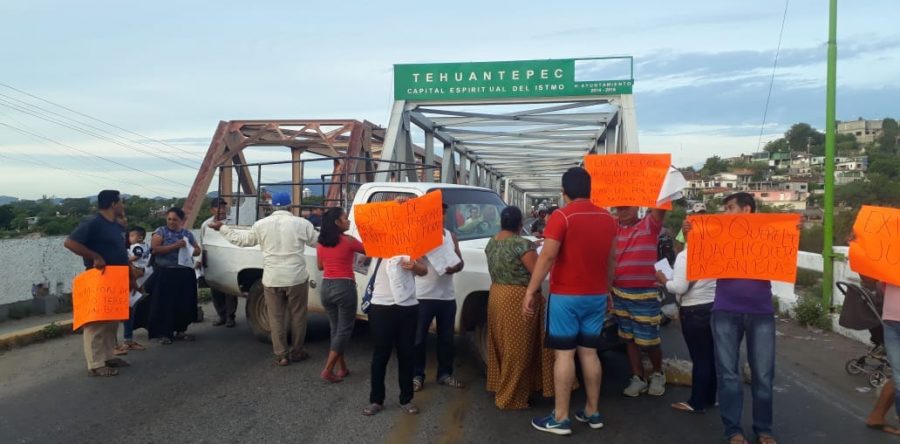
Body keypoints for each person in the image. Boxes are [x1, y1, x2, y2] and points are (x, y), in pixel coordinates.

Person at [524, 167, 618, 436]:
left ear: (564, 192)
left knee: (564, 355)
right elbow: (612, 259)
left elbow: (548, 256)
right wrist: (607, 289)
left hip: (566, 296)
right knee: (589, 352)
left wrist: (531, 291)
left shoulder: (562, 216)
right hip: (597, 296)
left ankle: (561, 417)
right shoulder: (608, 219)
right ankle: (592, 411)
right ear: (591, 190)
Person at [685, 192, 778, 444]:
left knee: (764, 375)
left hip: (761, 313)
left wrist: (795, 229)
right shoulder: (718, 233)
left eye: (729, 208)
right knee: (728, 374)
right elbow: (699, 259)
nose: (724, 213)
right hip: (725, 310)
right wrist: (691, 235)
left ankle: (763, 429)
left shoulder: (769, 232)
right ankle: (733, 430)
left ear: (746, 210)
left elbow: (784, 248)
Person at [210, 192, 317, 366]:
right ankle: (297, 351)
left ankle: (281, 355)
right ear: (290, 206)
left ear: (272, 207)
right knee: (298, 316)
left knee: (276, 317)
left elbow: (241, 241)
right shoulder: (302, 224)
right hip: (296, 277)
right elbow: (318, 242)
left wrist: (222, 228)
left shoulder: (261, 225)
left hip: (272, 278)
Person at [485, 206, 553, 410]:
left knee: (503, 345)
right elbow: (536, 271)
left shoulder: (492, 241)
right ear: (520, 224)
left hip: (496, 295)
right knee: (519, 349)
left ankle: (502, 386)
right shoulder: (522, 244)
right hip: (517, 298)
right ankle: (511, 397)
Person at [63, 189, 131, 377]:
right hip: (100, 276)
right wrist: (95, 256)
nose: (122, 206)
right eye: (120, 202)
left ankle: (109, 355)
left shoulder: (116, 225)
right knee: (97, 321)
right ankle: (96, 363)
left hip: (116, 277)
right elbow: (70, 243)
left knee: (112, 319)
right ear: (113, 204)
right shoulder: (93, 223)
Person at [655, 229, 717, 413]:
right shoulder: (715, 251)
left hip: (693, 310)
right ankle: (710, 398)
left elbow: (679, 287)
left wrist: (664, 280)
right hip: (713, 307)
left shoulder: (685, 256)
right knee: (710, 356)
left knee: (700, 358)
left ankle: (696, 402)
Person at [612, 204, 668, 398]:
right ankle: (638, 377)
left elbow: (660, 208)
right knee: (628, 338)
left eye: (627, 208)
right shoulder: (613, 228)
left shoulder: (649, 225)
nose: (623, 212)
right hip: (619, 292)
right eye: (619, 209)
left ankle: (658, 372)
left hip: (645, 294)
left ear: (637, 207)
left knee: (650, 340)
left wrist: (655, 182)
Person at [363, 253, 427, 416]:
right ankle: (376, 400)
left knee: (406, 353)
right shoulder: (378, 247)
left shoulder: (411, 246)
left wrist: (415, 266)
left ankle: (406, 399)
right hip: (381, 306)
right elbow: (362, 263)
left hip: (408, 306)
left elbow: (424, 270)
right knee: (380, 355)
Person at [413, 203, 465, 392]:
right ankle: (417, 375)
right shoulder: (420, 236)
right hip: (423, 295)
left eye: (442, 214)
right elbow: (416, 265)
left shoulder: (451, 236)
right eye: (437, 214)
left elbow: (460, 262)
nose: (441, 217)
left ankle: (445, 374)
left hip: (446, 297)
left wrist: (455, 267)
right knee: (418, 339)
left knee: (446, 339)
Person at [316, 207, 366, 382]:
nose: (349, 221)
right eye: (345, 218)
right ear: (337, 223)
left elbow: (320, 266)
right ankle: (328, 370)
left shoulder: (321, 242)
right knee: (344, 331)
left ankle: (342, 367)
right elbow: (370, 250)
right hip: (344, 287)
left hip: (326, 287)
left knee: (336, 329)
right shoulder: (349, 241)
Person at [148, 207, 201, 344]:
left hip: (183, 272)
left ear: (181, 221)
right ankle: (164, 333)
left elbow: (197, 250)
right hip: (166, 272)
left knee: (182, 303)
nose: (171, 222)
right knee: (165, 304)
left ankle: (180, 330)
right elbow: (155, 249)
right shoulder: (161, 232)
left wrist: (188, 247)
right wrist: (175, 246)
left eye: (175, 220)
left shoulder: (187, 234)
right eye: (169, 219)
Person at [866, 280, 900, 436]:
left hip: (891, 317)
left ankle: (876, 416)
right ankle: (877, 416)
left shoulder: (891, 257)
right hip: (892, 321)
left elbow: (879, 286)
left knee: (898, 376)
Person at [201, 198, 237, 328]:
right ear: (212, 209)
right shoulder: (206, 224)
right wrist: (201, 261)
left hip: (230, 260)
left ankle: (230, 317)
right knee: (216, 289)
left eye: (223, 207)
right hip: (214, 260)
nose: (221, 210)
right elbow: (202, 243)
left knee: (230, 290)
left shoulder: (234, 221)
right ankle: (221, 315)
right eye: (218, 207)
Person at [115, 226, 149, 354]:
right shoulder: (116, 242)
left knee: (130, 309)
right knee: (122, 312)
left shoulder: (131, 246)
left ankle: (127, 340)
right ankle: (118, 343)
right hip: (121, 280)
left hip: (131, 279)